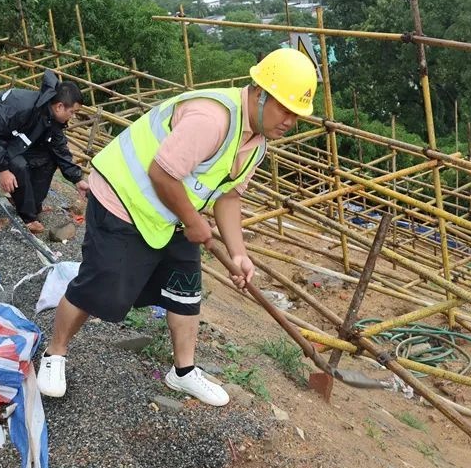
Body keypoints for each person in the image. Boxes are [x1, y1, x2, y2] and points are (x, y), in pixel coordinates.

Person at [37, 48, 317, 405]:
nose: (290, 121)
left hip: (171, 212)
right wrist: (194, 221)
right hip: (124, 198)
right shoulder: (213, 118)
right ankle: (54, 353)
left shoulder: (256, 143)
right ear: (260, 93)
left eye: (298, 115)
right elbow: (162, 172)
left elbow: (228, 197)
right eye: (285, 109)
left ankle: (182, 372)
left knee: (185, 291)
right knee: (100, 285)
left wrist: (239, 253)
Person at [0, 69, 89, 232]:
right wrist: (3, 169)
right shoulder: (20, 105)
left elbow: (59, 149)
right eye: (72, 112)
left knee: (49, 159)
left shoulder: (50, 115)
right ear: (59, 106)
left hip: (8, 140)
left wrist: (77, 179)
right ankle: (27, 218)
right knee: (18, 165)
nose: (72, 117)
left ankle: (32, 206)